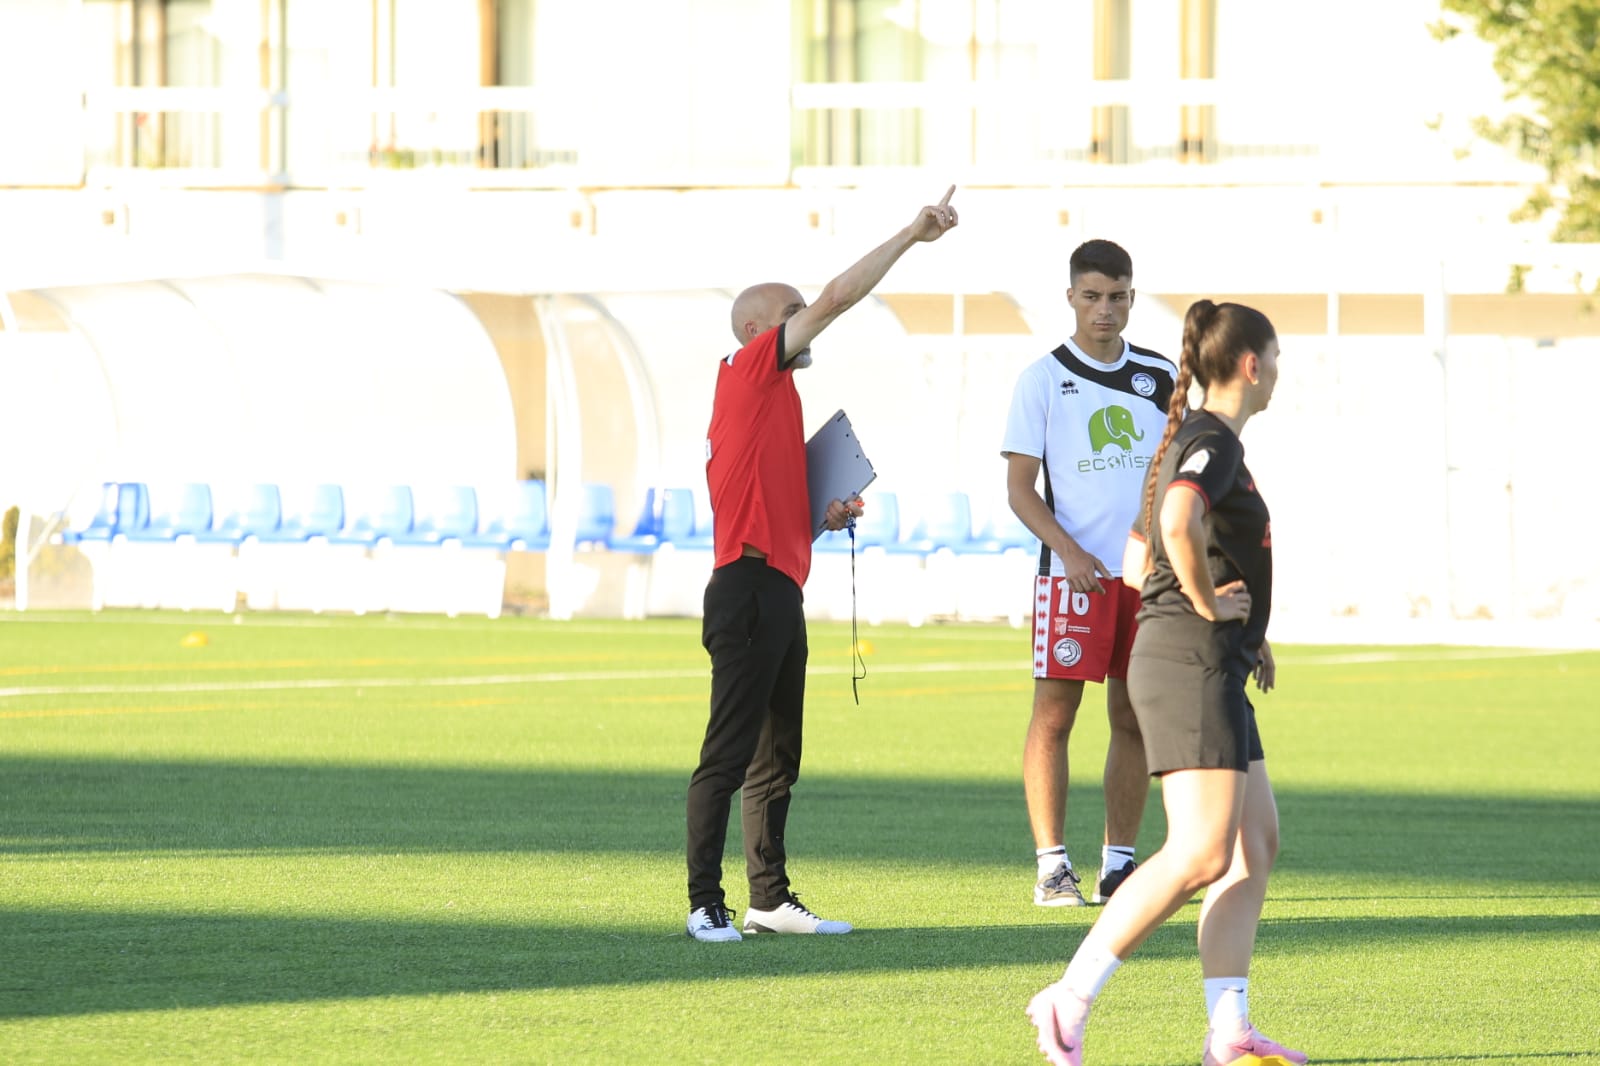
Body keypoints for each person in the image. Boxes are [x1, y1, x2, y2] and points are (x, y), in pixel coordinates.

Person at [1024, 299, 1305, 1066]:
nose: (1279, 374)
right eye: (1274, 360)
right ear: (1251, 364)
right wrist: (1211, 609)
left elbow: (1139, 551)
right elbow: (1177, 523)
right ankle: (1067, 1000)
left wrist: (1250, 633)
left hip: (1206, 658)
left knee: (1254, 845)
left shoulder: (1195, 439)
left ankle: (1229, 1033)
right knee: (1201, 853)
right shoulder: (1209, 441)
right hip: (1189, 663)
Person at [685, 187, 961, 943]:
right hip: (747, 589)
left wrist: (821, 515)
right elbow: (840, 295)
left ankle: (767, 897)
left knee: (777, 758)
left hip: (774, 586)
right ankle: (704, 902)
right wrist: (911, 233)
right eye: (791, 312)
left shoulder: (767, 400)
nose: (808, 316)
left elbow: (768, 504)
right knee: (728, 753)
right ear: (753, 332)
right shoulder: (748, 371)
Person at [1000, 239, 1176, 908]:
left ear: (1133, 297)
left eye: (1118, 296)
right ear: (1071, 297)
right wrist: (1069, 551)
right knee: (1054, 714)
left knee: (1133, 716)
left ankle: (1120, 866)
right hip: (1071, 579)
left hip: (1146, 579)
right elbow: (1020, 489)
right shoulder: (1041, 379)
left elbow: (1177, 470)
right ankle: (1051, 867)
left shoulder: (1161, 376)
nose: (1106, 309)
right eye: (1093, 296)